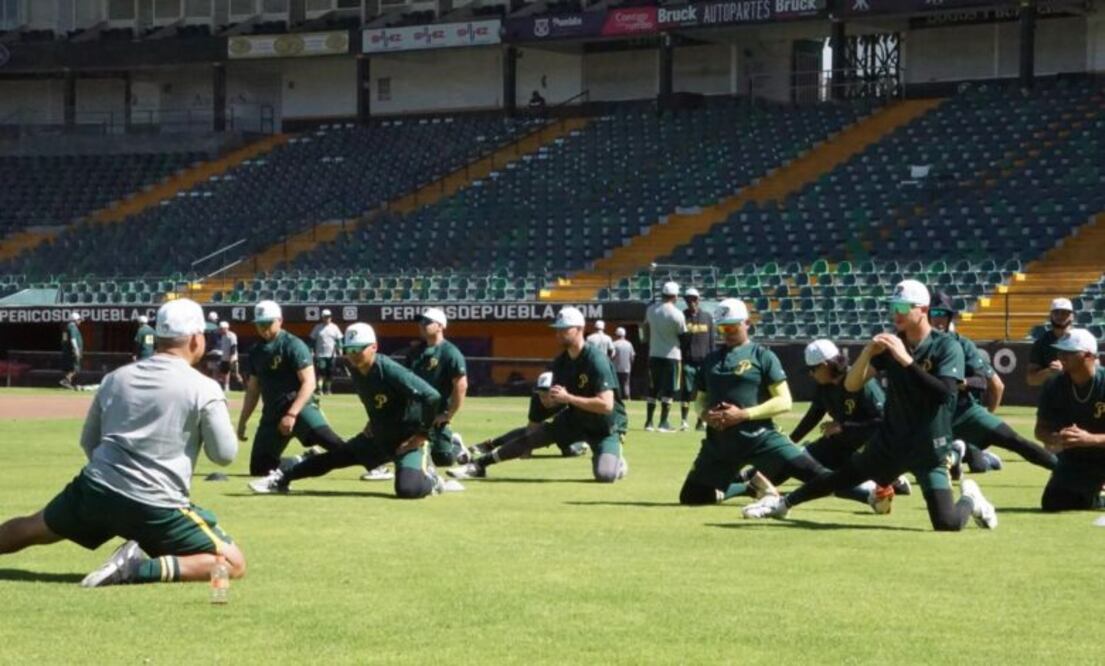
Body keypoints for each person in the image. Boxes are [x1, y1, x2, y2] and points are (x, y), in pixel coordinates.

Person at [0, 299, 246, 587]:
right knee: (231, 563)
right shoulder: (204, 387)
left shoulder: (115, 378)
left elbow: (89, 442)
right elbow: (224, 455)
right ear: (195, 339)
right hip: (158, 505)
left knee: (32, 528)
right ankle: (136, 569)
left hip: (96, 489)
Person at [743, 280, 999, 531]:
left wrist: (905, 359)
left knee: (947, 523)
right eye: (893, 307)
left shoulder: (946, 345)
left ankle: (971, 499)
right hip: (890, 443)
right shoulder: (891, 345)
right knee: (839, 477)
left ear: (922, 310)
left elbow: (945, 393)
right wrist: (867, 352)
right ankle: (782, 504)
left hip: (929, 448)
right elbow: (851, 385)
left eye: (902, 307)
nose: (894, 313)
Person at [677, 301, 883, 511]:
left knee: (813, 473)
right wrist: (704, 413)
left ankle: (870, 496)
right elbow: (701, 399)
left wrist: (743, 415)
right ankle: (752, 487)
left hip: (761, 437)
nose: (727, 333)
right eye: (722, 328)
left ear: (747, 323)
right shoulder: (711, 360)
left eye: (732, 327)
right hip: (720, 443)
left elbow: (784, 401)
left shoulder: (763, 356)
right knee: (691, 496)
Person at [249, 323, 462, 498]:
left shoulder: (388, 369)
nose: (353, 355)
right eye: (348, 350)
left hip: (408, 441)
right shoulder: (357, 370)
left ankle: (431, 478)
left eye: (358, 349)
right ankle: (281, 479)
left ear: (374, 347)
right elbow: (380, 402)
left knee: (407, 490)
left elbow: (431, 396)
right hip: (378, 437)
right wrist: (373, 422)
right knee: (334, 457)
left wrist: (422, 435)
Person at [449, 307, 628, 483]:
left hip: (606, 427)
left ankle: (615, 462)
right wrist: (548, 401)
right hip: (576, 419)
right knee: (530, 438)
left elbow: (606, 405)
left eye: (564, 329)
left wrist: (568, 398)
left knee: (605, 475)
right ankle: (479, 465)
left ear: (580, 329)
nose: (559, 333)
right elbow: (554, 401)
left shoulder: (596, 360)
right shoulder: (561, 362)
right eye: (557, 329)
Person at [928, 292, 1057, 475]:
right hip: (933, 415)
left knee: (1013, 441)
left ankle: (1064, 470)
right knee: (922, 458)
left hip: (965, 411)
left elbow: (983, 381)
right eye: (934, 314)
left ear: (950, 317)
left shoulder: (963, 345)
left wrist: (962, 383)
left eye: (943, 314)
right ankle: (957, 454)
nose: (938, 319)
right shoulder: (918, 345)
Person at [237, 300, 346, 477]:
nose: (263, 328)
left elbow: (309, 382)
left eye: (267, 323)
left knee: (331, 442)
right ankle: (302, 460)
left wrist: (291, 414)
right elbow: (253, 390)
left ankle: (375, 464)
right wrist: (243, 421)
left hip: (299, 407)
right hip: (272, 413)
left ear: (279, 320)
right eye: (259, 324)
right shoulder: (256, 351)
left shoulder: (292, 345)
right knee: (259, 469)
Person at [1034, 328, 1105, 511]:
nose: (1062, 357)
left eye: (1069, 352)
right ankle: (1095, 498)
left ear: (1089, 356)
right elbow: (1040, 430)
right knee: (1053, 502)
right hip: (1077, 456)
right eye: (1060, 352)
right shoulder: (1054, 385)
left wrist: (1090, 439)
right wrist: (1056, 438)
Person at [406, 307, 470, 468]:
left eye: (427, 322)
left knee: (444, 459)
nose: (421, 325)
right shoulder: (414, 352)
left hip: (437, 414)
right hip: (414, 413)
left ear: (441, 326)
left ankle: (454, 443)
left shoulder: (450, 353)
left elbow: (461, 386)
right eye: (420, 321)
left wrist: (448, 414)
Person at [642, 281, 687, 432]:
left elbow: (645, 328)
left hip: (654, 353)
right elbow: (683, 335)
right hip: (672, 356)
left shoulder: (651, 310)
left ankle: (648, 422)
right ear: (675, 296)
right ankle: (663, 422)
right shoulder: (677, 314)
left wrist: (649, 342)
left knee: (652, 388)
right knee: (669, 389)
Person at [680, 287, 714, 431]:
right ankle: (684, 421)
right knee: (687, 392)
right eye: (688, 299)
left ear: (698, 300)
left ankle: (701, 421)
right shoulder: (681, 316)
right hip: (688, 361)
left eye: (694, 299)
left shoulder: (707, 317)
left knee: (703, 394)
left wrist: (712, 360)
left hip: (704, 362)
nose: (691, 302)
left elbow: (712, 341)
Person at [1027, 298, 1074, 387]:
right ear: (1050, 316)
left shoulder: (1083, 339)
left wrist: (1067, 369)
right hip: (1052, 396)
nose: (1060, 316)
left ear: (1072, 316)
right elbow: (1031, 380)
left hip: (1079, 396)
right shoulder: (1041, 343)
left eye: (1064, 313)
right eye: (1056, 312)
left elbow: (1094, 369)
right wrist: (1050, 371)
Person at [309, 309, 343, 396]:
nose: (327, 318)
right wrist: (311, 350)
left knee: (330, 373)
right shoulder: (317, 327)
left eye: (329, 317)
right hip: (320, 354)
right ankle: (319, 389)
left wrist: (340, 349)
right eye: (326, 317)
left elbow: (339, 339)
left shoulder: (335, 327)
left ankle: (328, 389)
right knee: (321, 372)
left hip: (331, 355)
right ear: (322, 318)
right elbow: (312, 340)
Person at [216, 321, 243, 392]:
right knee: (224, 373)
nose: (220, 330)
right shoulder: (222, 336)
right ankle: (226, 388)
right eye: (220, 328)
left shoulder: (232, 335)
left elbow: (233, 347)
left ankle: (242, 387)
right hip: (224, 358)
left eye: (221, 328)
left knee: (236, 374)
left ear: (226, 328)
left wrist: (231, 359)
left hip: (232, 358)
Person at [60, 312, 83, 389]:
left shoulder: (66, 327)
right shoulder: (72, 327)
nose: (80, 321)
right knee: (75, 368)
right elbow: (73, 339)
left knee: (70, 368)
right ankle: (65, 380)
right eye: (79, 320)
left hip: (67, 352)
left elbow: (64, 340)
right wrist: (76, 350)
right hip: (72, 352)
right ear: (75, 320)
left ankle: (68, 383)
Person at [612, 327, 635, 400]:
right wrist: (630, 365)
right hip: (626, 369)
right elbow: (632, 357)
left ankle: (617, 399)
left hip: (616, 368)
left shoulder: (614, 344)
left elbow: (612, 356)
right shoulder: (629, 344)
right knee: (626, 385)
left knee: (616, 385)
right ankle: (627, 399)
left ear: (617, 335)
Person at [203, 311, 222, 377]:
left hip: (211, 351)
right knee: (215, 371)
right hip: (217, 351)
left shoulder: (206, 328)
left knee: (210, 370)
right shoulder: (218, 329)